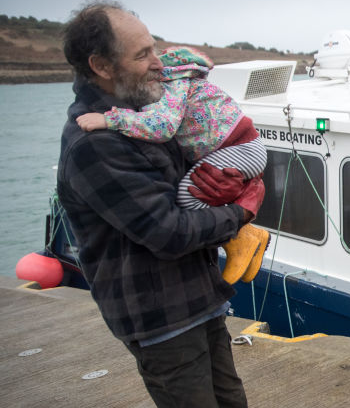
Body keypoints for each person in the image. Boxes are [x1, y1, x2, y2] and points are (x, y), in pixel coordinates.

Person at [57, 0, 289, 408]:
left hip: (197, 294)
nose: (158, 62)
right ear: (102, 65)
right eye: (142, 54)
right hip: (154, 312)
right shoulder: (95, 144)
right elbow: (166, 230)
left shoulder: (146, 113)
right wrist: (239, 215)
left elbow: (202, 168)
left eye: (155, 47)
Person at [75, 45, 269, 284]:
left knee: (189, 197)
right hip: (243, 147)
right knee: (197, 190)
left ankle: (240, 236)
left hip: (236, 148)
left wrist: (111, 118)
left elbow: (162, 126)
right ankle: (241, 234)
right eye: (141, 54)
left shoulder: (173, 86)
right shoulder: (184, 83)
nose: (152, 64)